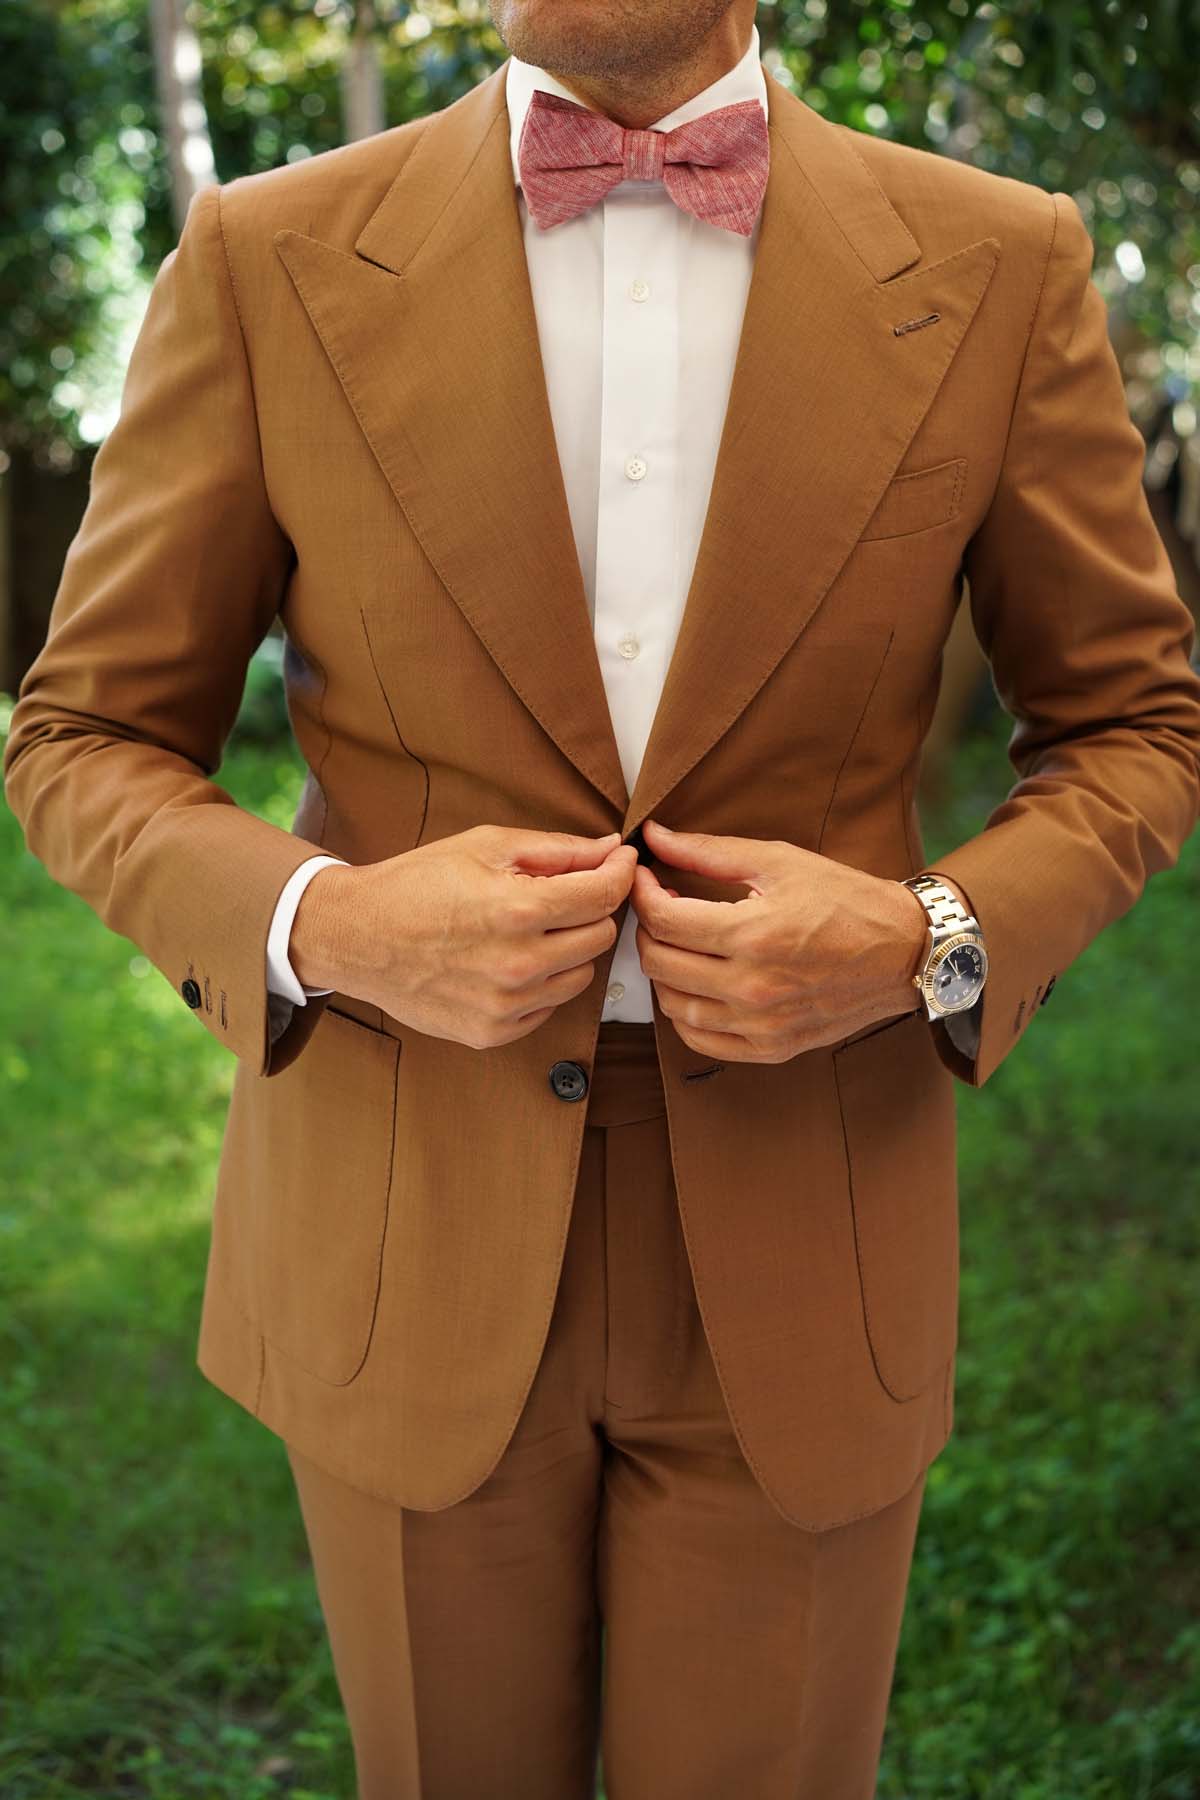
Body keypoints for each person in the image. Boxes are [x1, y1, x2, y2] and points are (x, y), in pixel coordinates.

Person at [6, 0, 1200, 1793]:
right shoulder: (266, 257)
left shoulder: (998, 261)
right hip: (404, 1224)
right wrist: (329, 922)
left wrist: (922, 940)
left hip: (814, 1227)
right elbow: (82, 734)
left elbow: (1135, 723)